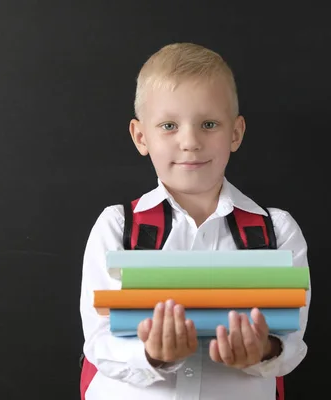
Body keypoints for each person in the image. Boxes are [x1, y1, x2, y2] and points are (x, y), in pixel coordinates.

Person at [79, 42, 310, 400]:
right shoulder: (117, 226)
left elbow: (292, 343)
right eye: (169, 125)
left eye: (209, 124)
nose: (190, 141)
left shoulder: (277, 231)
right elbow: (99, 342)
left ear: (235, 133)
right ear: (141, 136)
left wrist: (263, 350)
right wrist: (152, 354)